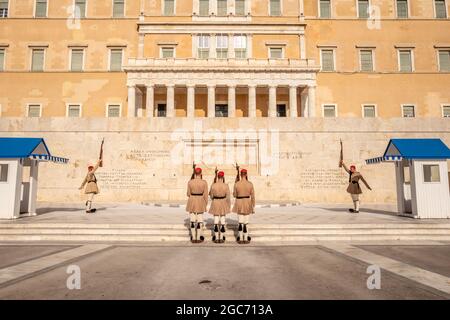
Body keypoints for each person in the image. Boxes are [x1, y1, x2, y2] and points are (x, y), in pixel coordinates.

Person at [232, 168, 255, 244]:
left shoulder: (237, 184)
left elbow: (234, 195)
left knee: (240, 222)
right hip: (247, 202)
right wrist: (253, 206)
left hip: (239, 202)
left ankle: (240, 238)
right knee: (246, 222)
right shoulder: (250, 184)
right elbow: (253, 196)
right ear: (246, 174)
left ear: (240, 175)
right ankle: (246, 238)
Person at [186, 167, 208, 243]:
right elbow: (205, 194)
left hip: (192, 200)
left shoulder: (190, 182)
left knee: (192, 220)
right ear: (201, 173)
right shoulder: (204, 182)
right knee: (199, 220)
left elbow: (188, 194)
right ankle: (198, 238)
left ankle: (193, 237)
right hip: (200, 200)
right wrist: (205, 203)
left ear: (195, 173)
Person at [208, 170, 231, 243]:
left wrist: (214, 199)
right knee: (223, 219)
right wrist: (228, 205)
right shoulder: (226, 185)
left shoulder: (213, 185)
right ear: (223, 177)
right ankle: (221, 237)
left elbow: (211, 196)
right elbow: (228, 197)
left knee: (216, 219)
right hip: (223, 202)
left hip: (216, 202)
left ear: (217, 177)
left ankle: (216, 237)